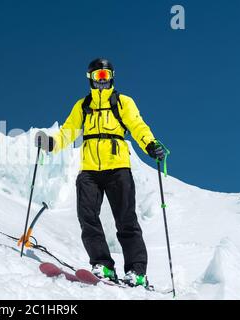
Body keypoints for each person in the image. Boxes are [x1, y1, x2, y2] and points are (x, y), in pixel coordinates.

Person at [34, 58, 166, 287]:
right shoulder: (83, 105)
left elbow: (137, 125)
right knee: (87, 217)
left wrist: (150, 144)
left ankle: (137, 271)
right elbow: (68, 131)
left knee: (126, 220)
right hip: (90, 170)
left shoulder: (123, 102)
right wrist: (51, 144)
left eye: (106, 76)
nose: (102, 81)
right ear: (91, 80)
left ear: (112, 77)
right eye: (98, 77)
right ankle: (102, 264)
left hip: (118, 168)